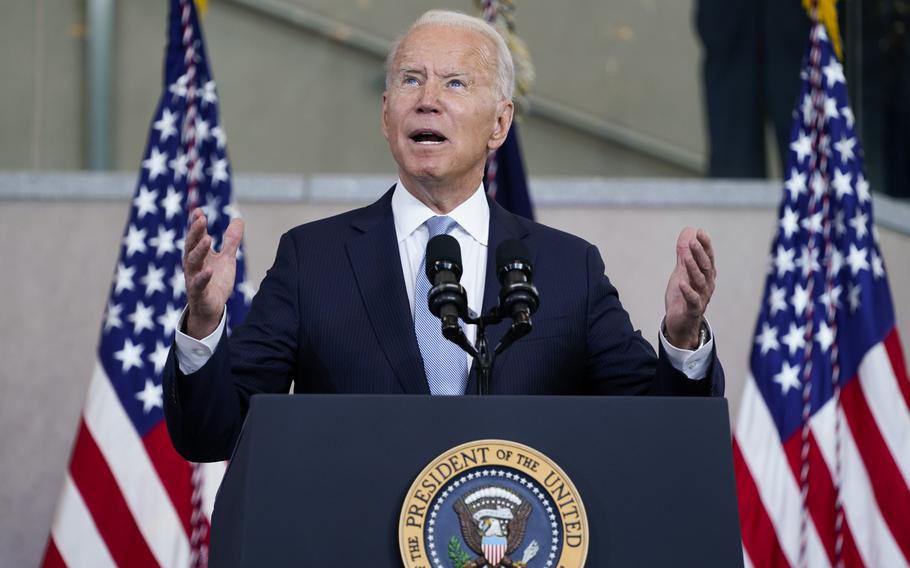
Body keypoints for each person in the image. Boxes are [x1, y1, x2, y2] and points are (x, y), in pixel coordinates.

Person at [164, 10, 724, 463]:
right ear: (387, 116)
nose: (427, 98)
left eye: (455, 82)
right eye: (411, 80)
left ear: (500, 124)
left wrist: (681, 336)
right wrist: (205, 325)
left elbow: (660, 433)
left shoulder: (566, 267)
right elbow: (213, 434)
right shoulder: (314, 259)